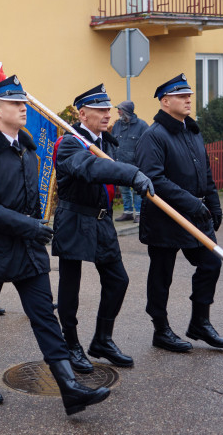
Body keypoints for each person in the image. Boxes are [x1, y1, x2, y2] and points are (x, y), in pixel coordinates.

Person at [0, 76, 111, 415]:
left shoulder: (28, 150)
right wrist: (30, 226)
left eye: (24, 102)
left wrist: (36, 224)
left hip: (28, 249)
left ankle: (69, 388)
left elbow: (33, 199)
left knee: (45, 316)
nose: (24, 108)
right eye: (16, 104)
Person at [52, 84, 154, 372]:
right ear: (82, 114)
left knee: (117, 280)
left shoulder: (106, 142)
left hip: (101, 220)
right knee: (70, 288)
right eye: (100, 110)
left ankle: (102, 340)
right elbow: (91, 169)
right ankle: (70, 344)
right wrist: (132, 174)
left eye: (108, 109)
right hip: (74, 219)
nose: (107, 114)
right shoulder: (69, 143)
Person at [136, 74, 223, 353]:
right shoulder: (153, 136)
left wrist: (214, 204)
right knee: (161, 276)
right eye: (181, 96)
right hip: (165, 218)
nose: (188, 99)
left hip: (196, 215)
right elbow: (154, 179)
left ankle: (200, 323)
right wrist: (193, 204)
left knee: (211, 263)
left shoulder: (192, 131)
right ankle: (161, 329)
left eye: (189, 95)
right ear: (165, 102)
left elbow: (206, 173)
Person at [111, 100, 150, 222]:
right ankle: (128, 212)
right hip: (120, 164)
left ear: (127, 111)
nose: (118, 111)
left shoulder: (142, 126)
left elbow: (147, 146)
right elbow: (113, 143)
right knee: (124, 190)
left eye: (120, 109)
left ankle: (139, 213)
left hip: (135, 165)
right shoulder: (117, 125)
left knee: (137, 191)